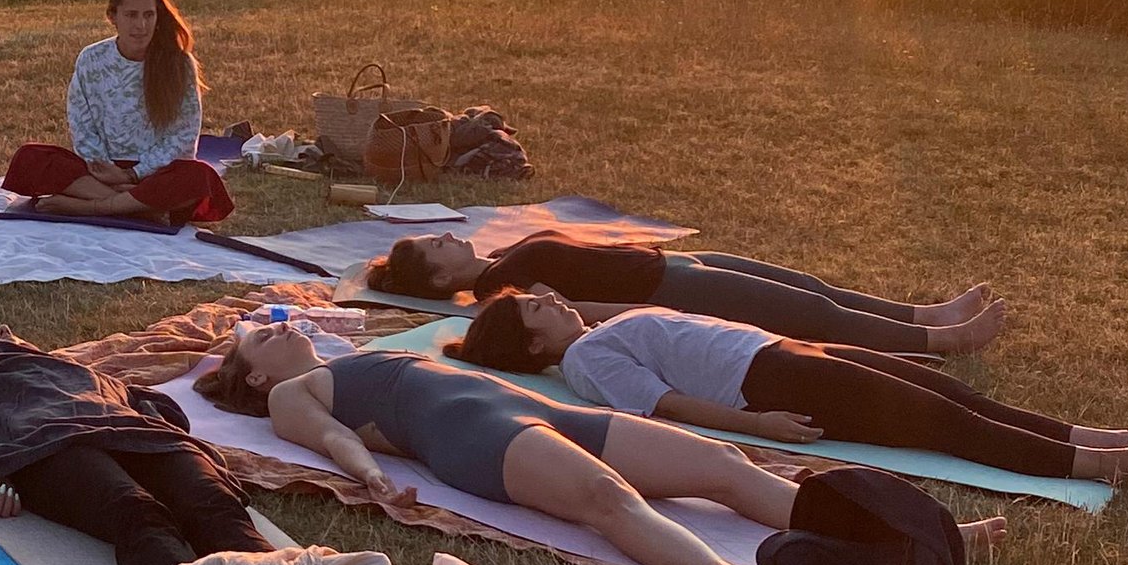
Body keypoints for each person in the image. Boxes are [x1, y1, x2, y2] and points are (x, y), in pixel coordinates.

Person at [195, 323, 811, 565]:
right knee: (608, 497)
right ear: (256, 374)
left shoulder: (352, 352)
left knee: (725, 463)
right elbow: (334, 441)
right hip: (477, 435)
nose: (276, 328)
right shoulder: (287, 394)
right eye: (261, 338)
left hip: (537, 409)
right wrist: (374, 478)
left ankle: (854, 525)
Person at [454, 288, 1128, 484]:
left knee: (954, 397)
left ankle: (1101, 438)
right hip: (770, 379)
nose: (550, 298)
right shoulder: (586, 363)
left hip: (781, 350)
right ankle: (1101, 464)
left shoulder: (589, 336)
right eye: (536, 309)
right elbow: (665, 404)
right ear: (534, 343)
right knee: (943, 422)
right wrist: (762, 425)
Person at [0, 328, 272, 565]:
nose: (2, 335)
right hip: (47, 443)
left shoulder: (85, 372)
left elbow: (157, 409)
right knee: (136, 512)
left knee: (214, 503)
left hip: (137, 435)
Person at [364, 229, 1005, 356]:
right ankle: (942, 340)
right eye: (437, 248)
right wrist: (662, 314)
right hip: (672, 287)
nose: (449, 237)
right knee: (812, 314)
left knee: (806, 287)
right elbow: (577, 313)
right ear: (443, 280)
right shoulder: (503, 290)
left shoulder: (499, 260)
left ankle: (924, 314)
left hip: (674, 261)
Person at [1, 0, 233, 224]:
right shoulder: (92, 58)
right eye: (131, 15)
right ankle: (139, 208)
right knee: (30, 157)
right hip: (99, 174)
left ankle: (94, 207)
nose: (141, 25)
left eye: (148, 15)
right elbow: (81, 123)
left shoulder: (180, 63)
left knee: (199, 177)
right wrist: (104, 169)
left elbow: (183, 137)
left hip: (155, 174)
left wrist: (133, 175)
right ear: (113, 17)